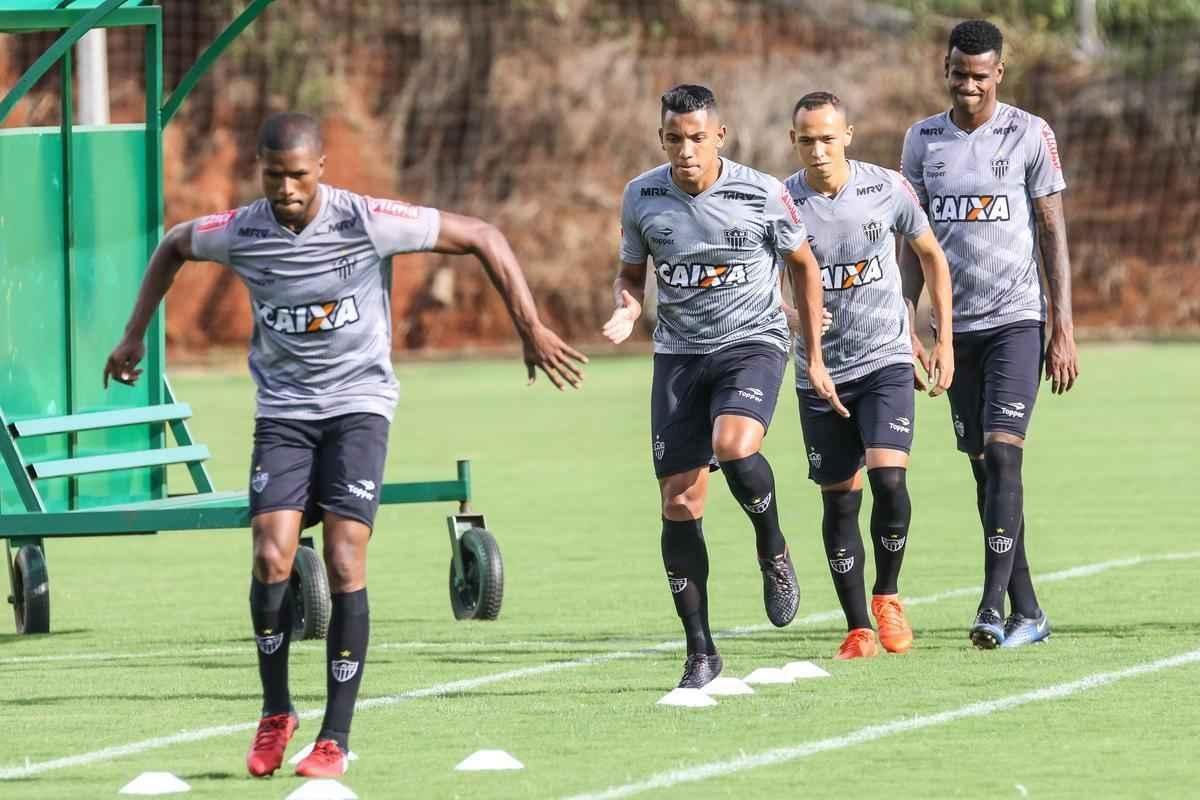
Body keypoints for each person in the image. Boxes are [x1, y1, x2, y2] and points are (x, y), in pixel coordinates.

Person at [103, 112, 587, 777]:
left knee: (343, 554)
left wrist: (528, 326)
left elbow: (482, 234)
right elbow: (174, 246)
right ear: (261, 170)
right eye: (274, 175)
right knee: (272, 552)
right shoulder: (242, 230)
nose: (287, 188)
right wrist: (133, 336)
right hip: (284, 413)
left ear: (322, 168)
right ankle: (277, 711)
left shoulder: (366, 219)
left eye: (299, 175)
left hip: (359, 406)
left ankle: (335, 735)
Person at [602, 84, 832, 689]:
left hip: (751, 343)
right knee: (680, 502)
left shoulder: (762, 193)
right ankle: (701, 651)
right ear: (661, 139)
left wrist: (813, 351)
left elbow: (804, 267)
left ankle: (772, 548)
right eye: (674, 139)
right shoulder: (642, 195)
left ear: (719, 137)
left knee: (733, 445)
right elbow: (631, 271)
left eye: (697, 138)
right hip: (678, 356)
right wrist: (627, 307)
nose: (686, 150)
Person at [899, 19, 1079, 649]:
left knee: (1005, 454)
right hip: (955, 332)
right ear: (944, 69)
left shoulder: (1030, 133)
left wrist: (1063, 327)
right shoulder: (921, 141)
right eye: (958, 73)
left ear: (999, 72)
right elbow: (912, 240)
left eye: (980, 74)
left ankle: (990, 608)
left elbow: (1052, 230)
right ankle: (1028, 609)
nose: (969, 84)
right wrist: (906, 317)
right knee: (984, 471)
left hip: (1016, 320)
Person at [784, 91, 954, 659]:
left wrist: (939, 336)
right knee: (839, 502)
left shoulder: (885, 188)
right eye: (807, 139)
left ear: (848, 135)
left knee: (889, 481)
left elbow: (932, 255)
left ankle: (887, 595)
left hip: (885, 359)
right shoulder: (779, 203)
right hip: (820, 374)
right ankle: (858, 627)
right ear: (794, 141)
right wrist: (794, 316)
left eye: (828, 137)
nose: (818, 149)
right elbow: (754, 285)